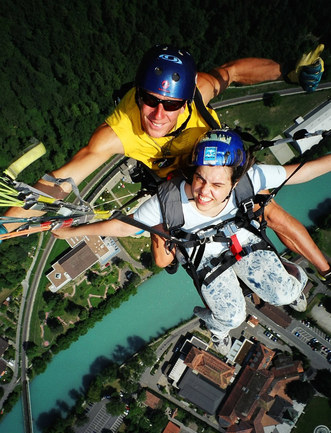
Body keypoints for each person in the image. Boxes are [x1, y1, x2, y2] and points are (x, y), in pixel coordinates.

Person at [4, 44, 330, 279]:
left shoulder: (197, 91)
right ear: (139, 93)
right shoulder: (118, 132)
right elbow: (55, 186)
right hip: (174, 182)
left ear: (185, 99)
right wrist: (5, 229)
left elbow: (233, 72)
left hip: (215, 166)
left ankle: (326, 270)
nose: (159, 115)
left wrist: (286, 72)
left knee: (268, 212)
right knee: (162, 259)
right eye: (149, 100)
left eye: (171, 104)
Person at [52, 128, 331, 354]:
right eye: (199, 179)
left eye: (217, 185)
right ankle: (216, 325)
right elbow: (122, 227)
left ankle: (291, 280)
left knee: (285, 294)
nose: (204, 193)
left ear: (235, 182)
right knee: (233, 318)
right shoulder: (170, 200)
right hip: (204, 256)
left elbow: (305, 171)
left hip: (243, 241)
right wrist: (70, 232)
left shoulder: (251, 178)